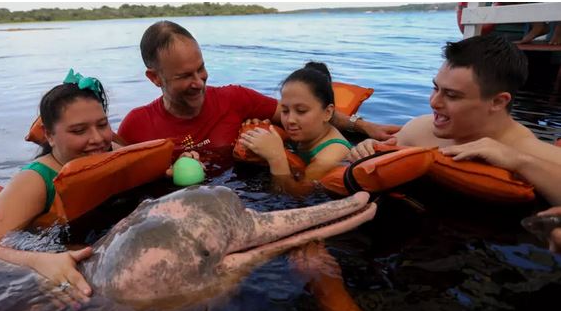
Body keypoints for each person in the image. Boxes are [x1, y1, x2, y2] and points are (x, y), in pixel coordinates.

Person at [117, 21, 400, 157]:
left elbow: (303, 115)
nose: (199, 81)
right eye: (184, 76)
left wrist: (362, 126)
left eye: (200, 69)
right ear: (155, 78)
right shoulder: (135, 127)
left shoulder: (234, 98)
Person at [347, 34, 561, 206]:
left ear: (497, 102)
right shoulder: (419, 130)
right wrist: (364, 151)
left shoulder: (531, 152)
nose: (434, 102)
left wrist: (519, 162)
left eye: (451, 95)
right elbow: (376, 160)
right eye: (435, 88)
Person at [0, 69, 118, 300]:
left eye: (102, 125)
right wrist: (37, 262)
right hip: (51, 263)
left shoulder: (112, 154)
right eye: (79, 130)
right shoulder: (34, 181)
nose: (97, 139)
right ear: (49, 135)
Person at [238, 62, 352, 195]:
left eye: (301, 111)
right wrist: (258, 128)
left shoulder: (330, 156)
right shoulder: (305, 133)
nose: (290, 120)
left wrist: (276, 158)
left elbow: (297, 196)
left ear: (327, 113)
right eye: (285, 111)